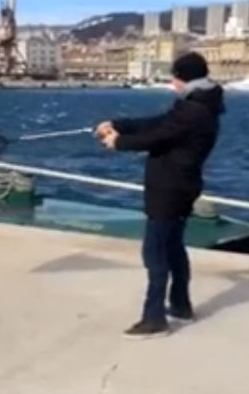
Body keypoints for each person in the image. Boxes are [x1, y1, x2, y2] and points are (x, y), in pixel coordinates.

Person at [96, 52, 225, 339]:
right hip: (182, 185)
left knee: (154, 252)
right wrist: (119, 124)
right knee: (173, 247)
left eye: (176, 78)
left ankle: (154, 318)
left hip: (170, 188)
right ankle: (180, 305)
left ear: (186, 78)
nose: (173, 83)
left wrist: (118, 142)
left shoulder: (193, 111)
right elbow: (159, 123)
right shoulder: (199, 104)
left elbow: (157, 136)